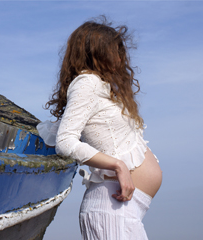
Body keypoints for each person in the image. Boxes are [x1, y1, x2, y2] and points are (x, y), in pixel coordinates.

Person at [37, 17, 162, 239]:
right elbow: (66, 142)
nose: (121, 56)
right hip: (112, 211)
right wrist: (119, 165)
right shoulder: (87, 83)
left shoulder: (99, 86)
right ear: (97, 52)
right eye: (115, 49)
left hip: (122, 210)